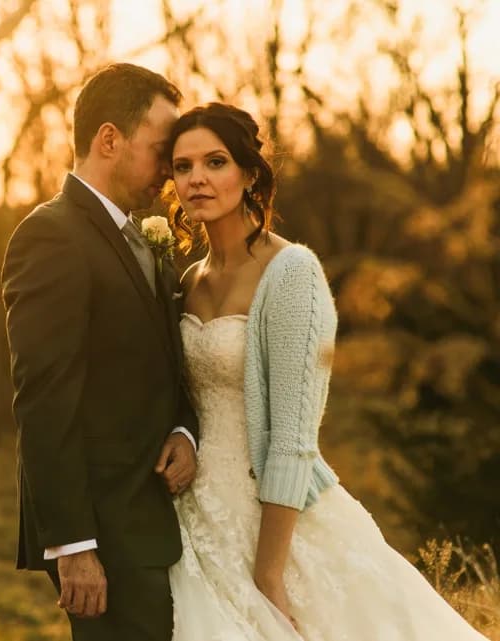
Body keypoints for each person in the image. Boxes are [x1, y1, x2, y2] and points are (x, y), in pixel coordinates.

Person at [166, 101, 489, 640]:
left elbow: (293, 437)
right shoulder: (187, 279)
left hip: (276, 523)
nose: (197, 178)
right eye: (182, 166)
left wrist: (269, 575)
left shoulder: (291, 273)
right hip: (195, 520)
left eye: (215, 162)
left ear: (249, 174)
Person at [1, 63, 200, 640]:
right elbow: (43, 398)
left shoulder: (142, 235)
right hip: (104, 532)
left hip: (155, 517)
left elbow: (168, 364)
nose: (170, 171)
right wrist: (74, 546)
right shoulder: (51, 237)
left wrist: (185, 431)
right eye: (162, 151)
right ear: (110, 139)